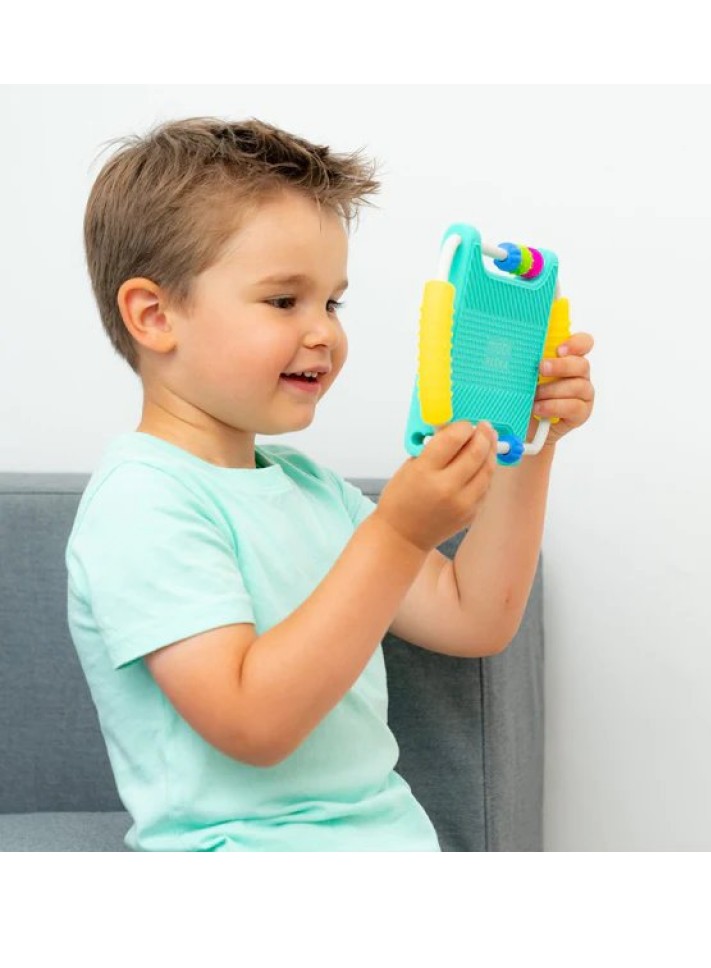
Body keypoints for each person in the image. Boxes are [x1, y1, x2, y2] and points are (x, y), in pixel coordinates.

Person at [66, 116, 595, 852]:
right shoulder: (141, 503)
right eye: (284, 301)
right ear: (154, 316)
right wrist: (397, 534)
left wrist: (529, 447)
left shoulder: (311, 489)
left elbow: (476, 617)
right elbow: (253, 723)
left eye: (332, 302)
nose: (323, 333)